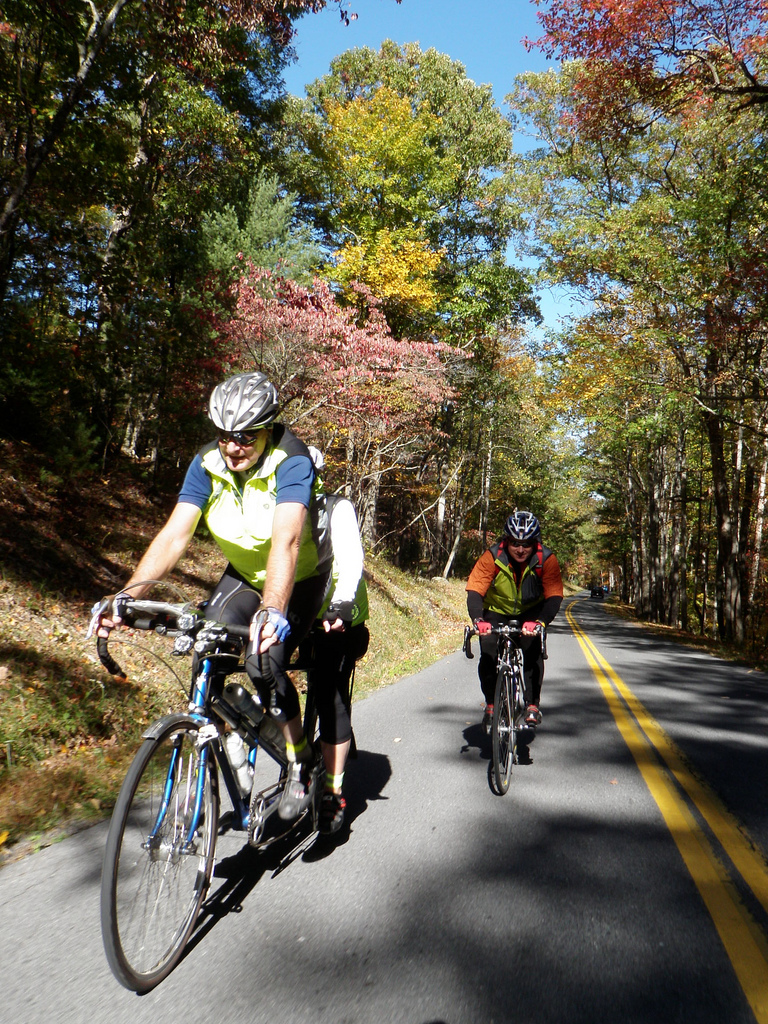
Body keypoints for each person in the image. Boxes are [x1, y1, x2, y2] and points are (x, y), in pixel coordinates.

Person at [94, 371, 332, 820]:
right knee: (209, 648)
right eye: (224, 435)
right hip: (244, 573)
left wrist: (271, 610)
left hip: (299, 576)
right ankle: (219, 753)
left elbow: (285, 542)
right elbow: (174, 537)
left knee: (263, 661)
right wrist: (127, 596)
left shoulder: (292, 459)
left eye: (244, 436)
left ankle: (301, 760)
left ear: (267, 429)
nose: (232, 447)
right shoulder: (207, 463)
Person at [302, 447, 370, 835]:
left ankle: (333, 791)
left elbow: (350, 562)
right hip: (301, 615)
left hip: (343, 618)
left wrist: (339, 609)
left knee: (330, 694)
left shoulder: (334, 509)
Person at [466, 510, 563, 731]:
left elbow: (554, 596)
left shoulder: (546, 559)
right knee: (488, 648)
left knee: (531, 649)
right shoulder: (492, 556)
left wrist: (540, 622)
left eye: (526, 544)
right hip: (497, 609)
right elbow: (475, 590)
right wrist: (478, 619)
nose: (520, 550)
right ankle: (491, 704)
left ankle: (532, 705)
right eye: (515, 543)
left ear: (535, 543)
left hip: (531, 610)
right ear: (506, 541)